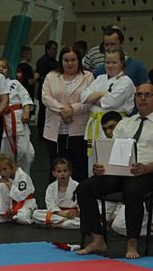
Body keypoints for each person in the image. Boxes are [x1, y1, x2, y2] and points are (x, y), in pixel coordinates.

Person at [75, 83, 153, 259]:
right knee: (84, 188)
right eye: (139, 95)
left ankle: (132, 243)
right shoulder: (125, 123)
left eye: (147, 95)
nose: (142, 98)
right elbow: (112, 151)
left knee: (132, 190)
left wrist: (146, 168)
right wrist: (101, 166)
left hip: (147, 173)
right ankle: (97, 239)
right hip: (119, 171)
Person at [41, 45, 93, 183]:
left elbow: (89, 100)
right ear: (61, 61)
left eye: (73, 60)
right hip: (55, 132)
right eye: (66, 60)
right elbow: (45, 97)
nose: (70, 63)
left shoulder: (88, 77)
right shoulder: (51, 76)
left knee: (79, 167)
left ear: (79, 60)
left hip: (79, 132)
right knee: (56, 168)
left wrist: (73, 109)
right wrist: (62, 110)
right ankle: (54, 195)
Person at [80, 49, 135, 177]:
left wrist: (93, 98)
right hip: (94, 125)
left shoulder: (126, 82)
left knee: (110, 163)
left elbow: (111, 102)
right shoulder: (100, 78)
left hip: (114, 125)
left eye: (114, 62)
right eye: (107, 62)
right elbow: (83, 97)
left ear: (122, 63)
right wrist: (102, 93)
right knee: (93, 162)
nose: (110, 66)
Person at [0, 58, 35, 175]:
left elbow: (25, 97)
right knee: (5, 155)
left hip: (18, 119)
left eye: (4, 67)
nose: (1, 69)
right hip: (2, 121)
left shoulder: (15, 83)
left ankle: (24, 176)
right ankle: (5, 178)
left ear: (8, 70)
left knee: (26, 152)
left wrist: (26, 111)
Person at [32, 158, 80, 229]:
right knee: (36, 214)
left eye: (65, 171)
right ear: (54, 173)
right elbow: (50, 204)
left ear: (70, 172)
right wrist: (62, 213)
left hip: (72, 215)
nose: (62, 174)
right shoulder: (51, 187)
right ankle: (64, 222)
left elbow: (81, 205)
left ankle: (56, 225)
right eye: (59, 171)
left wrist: (75, 213)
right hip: (57, 213)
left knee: (82, 221)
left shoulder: (77, 186)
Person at [0, 153, 36, 224]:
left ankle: (32, 215)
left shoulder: (22, 176)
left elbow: (21, 197)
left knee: (21, 219)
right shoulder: (2, 178)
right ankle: (4, 215)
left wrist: (10, 185)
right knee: (0, 186)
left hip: (26, 203)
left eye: (5, 169)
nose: (2, 172)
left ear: (12, 167)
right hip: (12, 204)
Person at [36, 40, 60, 135]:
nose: (56, 51)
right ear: (48, 49)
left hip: (55, 90)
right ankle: (41, 133)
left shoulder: (55, 62)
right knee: (43, 112)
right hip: (44, 90)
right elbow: (43, 77)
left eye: (56, 49)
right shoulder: (42, 61)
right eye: (54, 49)